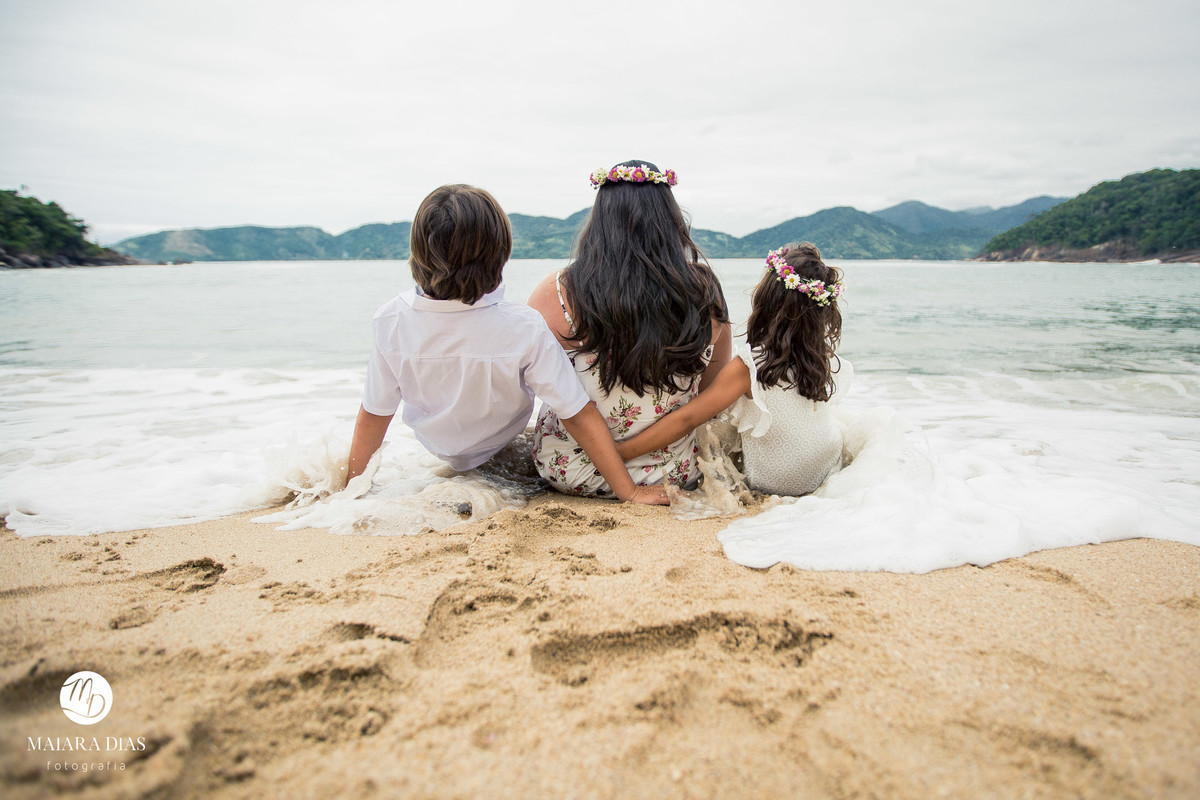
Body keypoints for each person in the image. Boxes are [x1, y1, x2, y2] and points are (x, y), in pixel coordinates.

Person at [346, 184, 667, 505]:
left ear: (417, 250)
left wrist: (352, 490)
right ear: (501, 253)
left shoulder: (390, 318)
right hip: (503, 447)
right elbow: (577, 413)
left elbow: (374, 414)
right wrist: (630, 491)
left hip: (438, 451)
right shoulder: (523, 326)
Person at [527, 160, 732, 496]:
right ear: (672, 221)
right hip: (673, 474)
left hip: (572, 470)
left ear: (599, 221)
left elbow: (529, 383)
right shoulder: (705, 294)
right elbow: (710, 394)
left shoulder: (558, 291)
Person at [614, 242, 852, 497]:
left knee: (711, 421)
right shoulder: (821, 358)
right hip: (826, 465)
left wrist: (620, 452)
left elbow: (688, 418)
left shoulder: (752, 365)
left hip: (780, 481)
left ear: (767, 300)